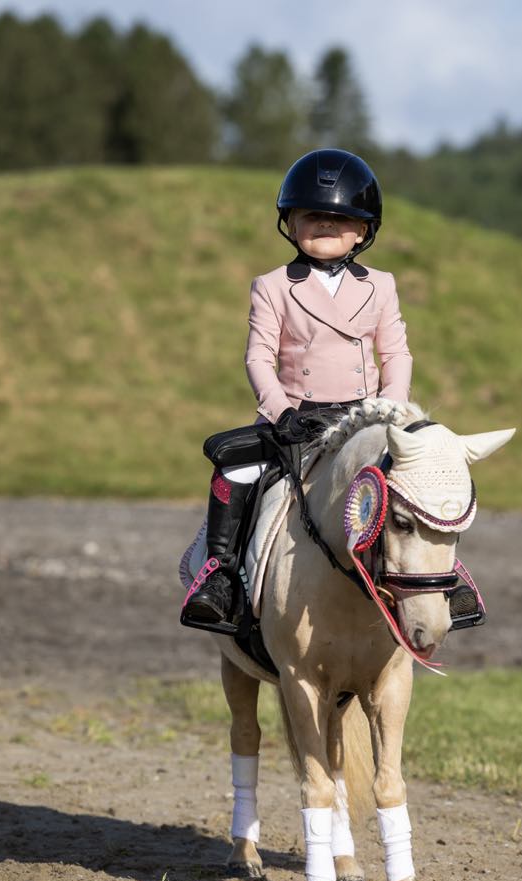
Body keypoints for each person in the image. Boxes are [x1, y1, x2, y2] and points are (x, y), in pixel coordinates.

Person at [181, 148, 413, 633]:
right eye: (312, 216)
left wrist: (391, 409)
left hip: (362, 418)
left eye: (340, 217)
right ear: (289, 223)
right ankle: (221, 576)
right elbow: (258, 358)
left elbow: (395, 354)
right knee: (238, 469)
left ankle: (443, 581)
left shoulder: (382, 285)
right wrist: (281, 412)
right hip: (296, 419)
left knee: (419, 477)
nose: (325, 225)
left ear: (364, 229)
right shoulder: (272, 286)